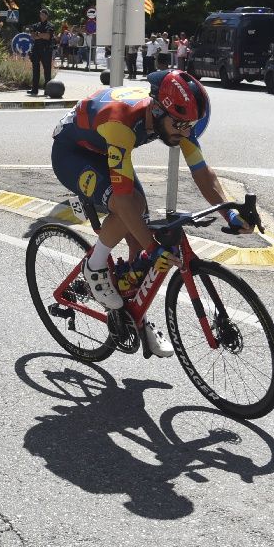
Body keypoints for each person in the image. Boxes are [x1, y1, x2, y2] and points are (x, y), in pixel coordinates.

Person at [48, 69, 250, 357]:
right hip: (73, 153)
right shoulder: (123, 122)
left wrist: (230, 214)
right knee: (128, 208)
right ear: (157, 109)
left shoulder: (177, 120)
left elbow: (203, 173)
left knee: (138, 231)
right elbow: (122, 198)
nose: (185, 132)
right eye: (179, 124)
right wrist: (152, 248)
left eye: (190, 124)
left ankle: (135, 318)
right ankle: (94, 267)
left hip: (108, 149)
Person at [26, 8, 57, 96]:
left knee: (47, 71)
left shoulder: (50, 26)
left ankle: (47, 90)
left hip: (46, 50)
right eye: (41, 14)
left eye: (43, 14)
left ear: (47, 16)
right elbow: (33, 36)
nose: (42, 16)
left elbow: (47, 36)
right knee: (35, 70)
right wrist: (40, 35)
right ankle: (34, 89)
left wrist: (38, 34)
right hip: (36, 50)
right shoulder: (36, 25)